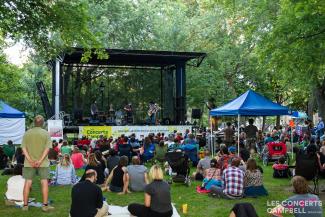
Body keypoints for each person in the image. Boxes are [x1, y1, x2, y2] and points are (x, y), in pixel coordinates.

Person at [21, 115, 54, 211]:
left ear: (34, 123)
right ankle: (45, 206)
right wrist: (40, 161)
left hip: (28, 163)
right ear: (43, 123)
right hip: (43, 163)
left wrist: (30, 160)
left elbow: (23, 148)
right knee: (44, 183)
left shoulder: (27, 133)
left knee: (27, 183)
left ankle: (25, 206)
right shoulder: (46, 134)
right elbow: (47, 149)